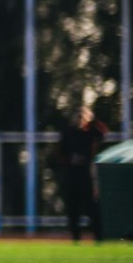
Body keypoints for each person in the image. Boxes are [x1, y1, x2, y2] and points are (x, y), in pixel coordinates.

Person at [51, 103, 108, 244]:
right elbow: (58, 153)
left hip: (85, 173)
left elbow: (104, 133)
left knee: (92, 207)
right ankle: (76, 237)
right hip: (71, 174)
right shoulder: (67, 133)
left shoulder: (90, 132)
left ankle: (98, 237)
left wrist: (92, 119)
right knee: (73, 208)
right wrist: (70, 160)